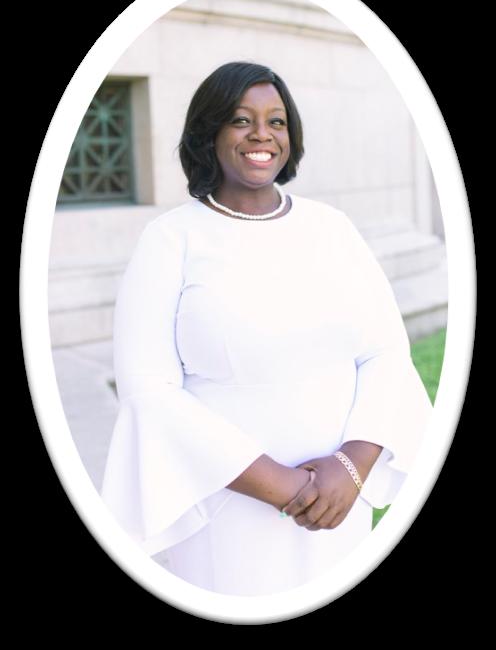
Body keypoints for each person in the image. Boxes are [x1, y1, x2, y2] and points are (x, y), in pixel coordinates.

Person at [100, 61, 434, 596]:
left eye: (276, 121)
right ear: (208, 134)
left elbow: (386, 352)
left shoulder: (332, 228)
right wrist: (283, 486)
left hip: (338, 510)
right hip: (225, 512)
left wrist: (350, 469)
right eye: (241, 120)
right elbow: (148, 391)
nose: (262, 134)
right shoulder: (170, 240)